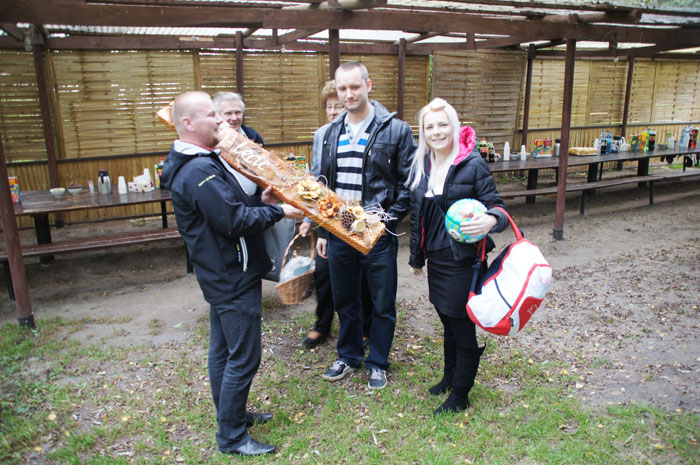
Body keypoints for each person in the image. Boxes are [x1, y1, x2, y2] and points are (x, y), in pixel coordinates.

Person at [160, 91, 303, 456]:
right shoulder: (197, 171)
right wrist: (281, 212)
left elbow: (230, 208)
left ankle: (232, 415)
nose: (220, 121)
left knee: (223, 351)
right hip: (231, 275)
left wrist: (260, 202)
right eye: (212, 115)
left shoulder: (200, 161)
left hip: (222, 272)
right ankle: (233, 437)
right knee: (243, 357)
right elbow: (232, 220)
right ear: (188, 123)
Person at [316, 62, 417, 390]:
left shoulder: (396, 130)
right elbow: (321, 186)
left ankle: (378, 362)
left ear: (368, 86)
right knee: (345, 300)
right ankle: (348, 355)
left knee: (382, 302)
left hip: (377, 233)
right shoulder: (329, 133)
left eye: (355, 87)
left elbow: (410, 183)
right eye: (342, 88)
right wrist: (323, 230)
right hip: (339, 231)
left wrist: (386, 221)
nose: (348, 94)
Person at [406, 98, 508, 415]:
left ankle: (461, 394)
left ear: (454, 126)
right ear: (423, 132)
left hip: (464, 261)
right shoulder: (422, 165)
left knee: (462, 326)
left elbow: (499, 207)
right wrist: (416, 258)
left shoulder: (471, 163)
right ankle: (450, 377)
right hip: (437, 259)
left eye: (443, 125)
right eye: (430, 126)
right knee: (446, 320)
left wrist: (490, 219)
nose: (437, 132)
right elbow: (417, 217)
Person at [299, 80, 372, 349]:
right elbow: (317, 180)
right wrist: (310, 219)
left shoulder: (365, 132)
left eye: (337, 106)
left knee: (361, 278)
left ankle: (365, 326)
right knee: (324, 273)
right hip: (329, 218)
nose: (332, 111)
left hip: (359, 216)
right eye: (328, 107)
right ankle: (322, 324)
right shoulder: (322, 135)